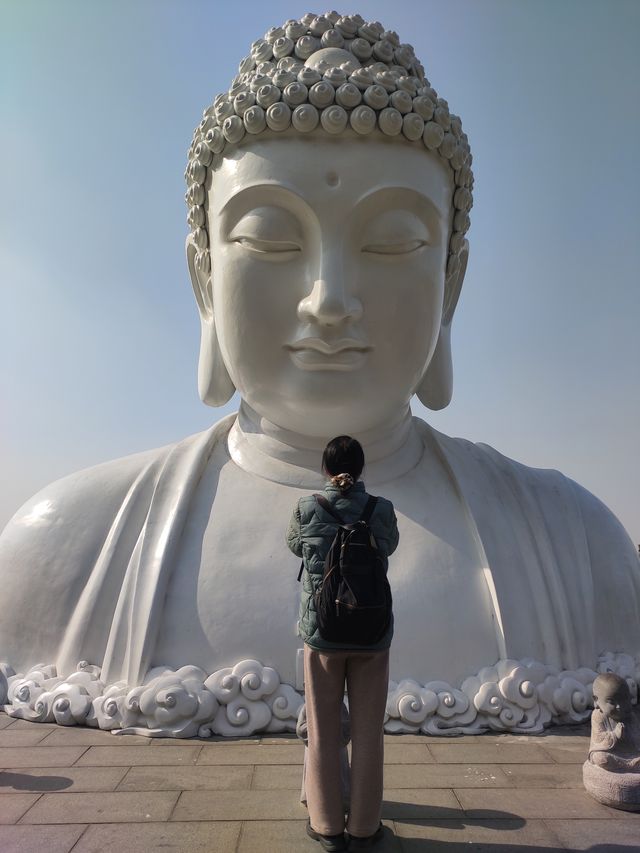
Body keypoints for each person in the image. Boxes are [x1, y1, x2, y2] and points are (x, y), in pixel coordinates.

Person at [0, 12, 638, 736]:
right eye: (268, 236)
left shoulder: (578, 546)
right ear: (204, 282)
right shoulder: (67, 543)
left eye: (393, 240)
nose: (329, 300)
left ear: (450, 283)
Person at [287, 435, 399, 851]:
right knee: (370, 732)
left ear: (325, 470)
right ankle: (366, 828)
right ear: (361, 467)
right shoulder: (381, 509)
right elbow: (389, 547)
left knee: (322, 730)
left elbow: (295, 545)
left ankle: (328, 827)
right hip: (373, 634)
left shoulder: (307, 507)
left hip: (323, 635)